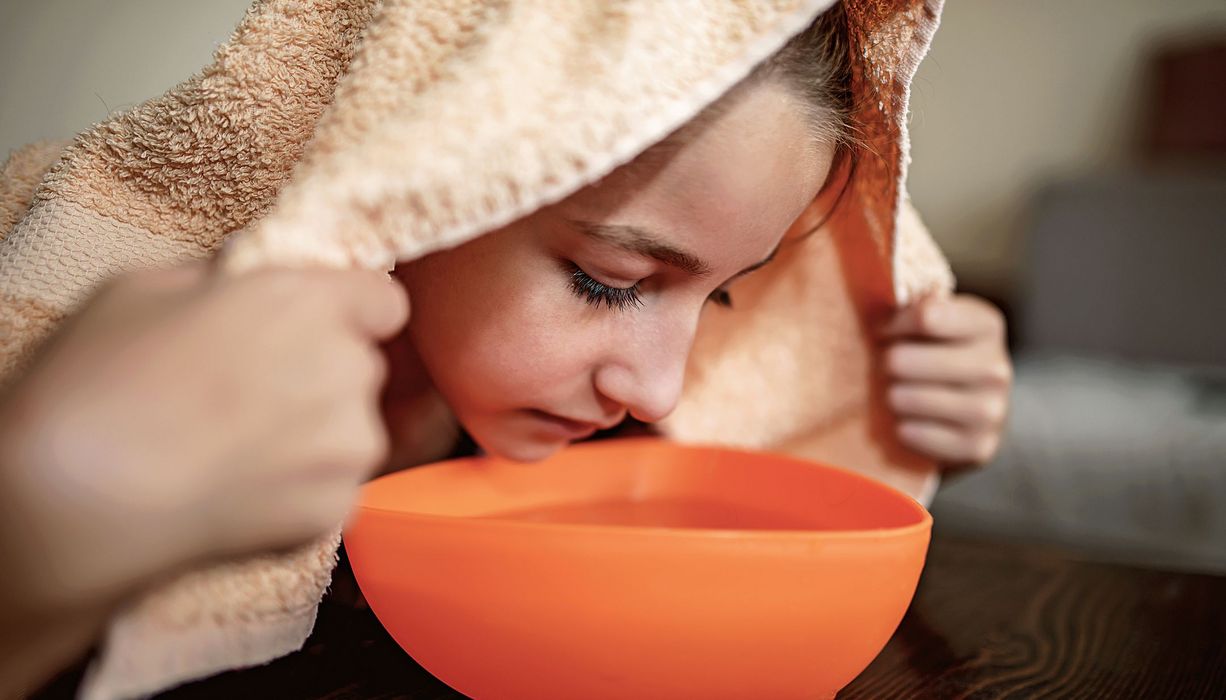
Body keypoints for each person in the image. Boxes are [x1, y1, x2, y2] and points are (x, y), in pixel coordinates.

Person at [0, 3, 1011, 694]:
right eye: (608, 280)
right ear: (414, 162)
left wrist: (888, 428)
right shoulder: (57, 289)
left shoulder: (591, 454)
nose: (658, 388)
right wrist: (36, 541)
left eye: (728, 297)